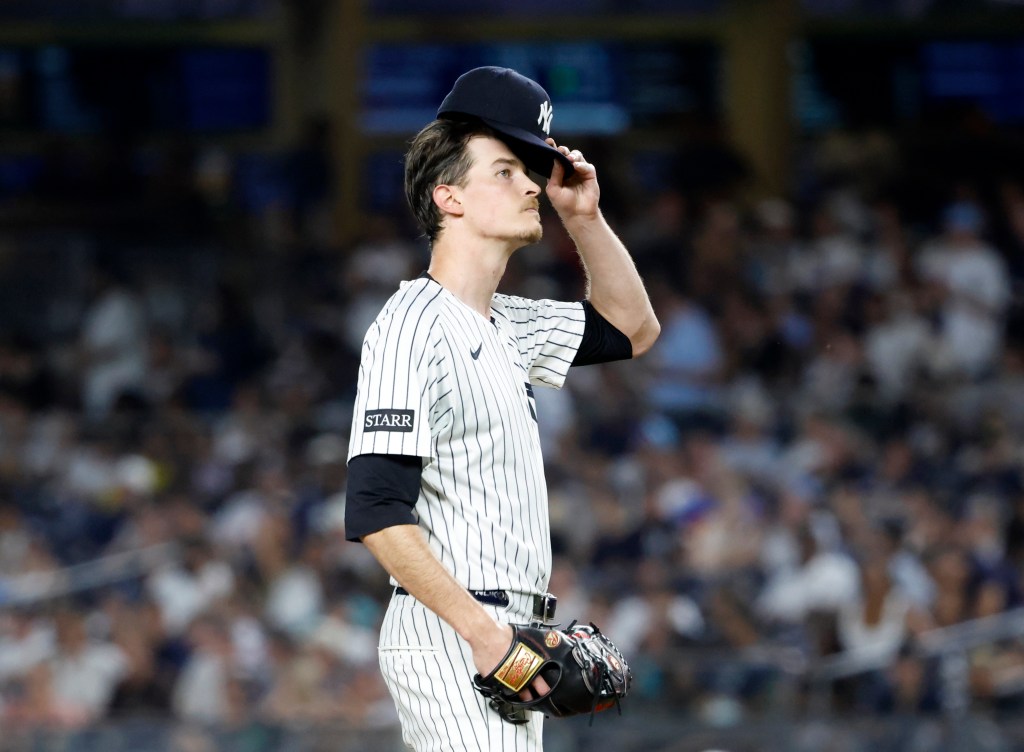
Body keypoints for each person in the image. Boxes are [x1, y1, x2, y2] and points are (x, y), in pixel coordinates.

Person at [344, 66, 659, 751]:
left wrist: (587, 219)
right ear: (448, 196)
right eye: (507, 169)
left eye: (532, 169)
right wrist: (488, 639)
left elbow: (634, 329)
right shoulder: (411, 325)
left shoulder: (508, 323)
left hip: (506, 642)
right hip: (460, 634)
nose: (530, 185)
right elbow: (375, 511)